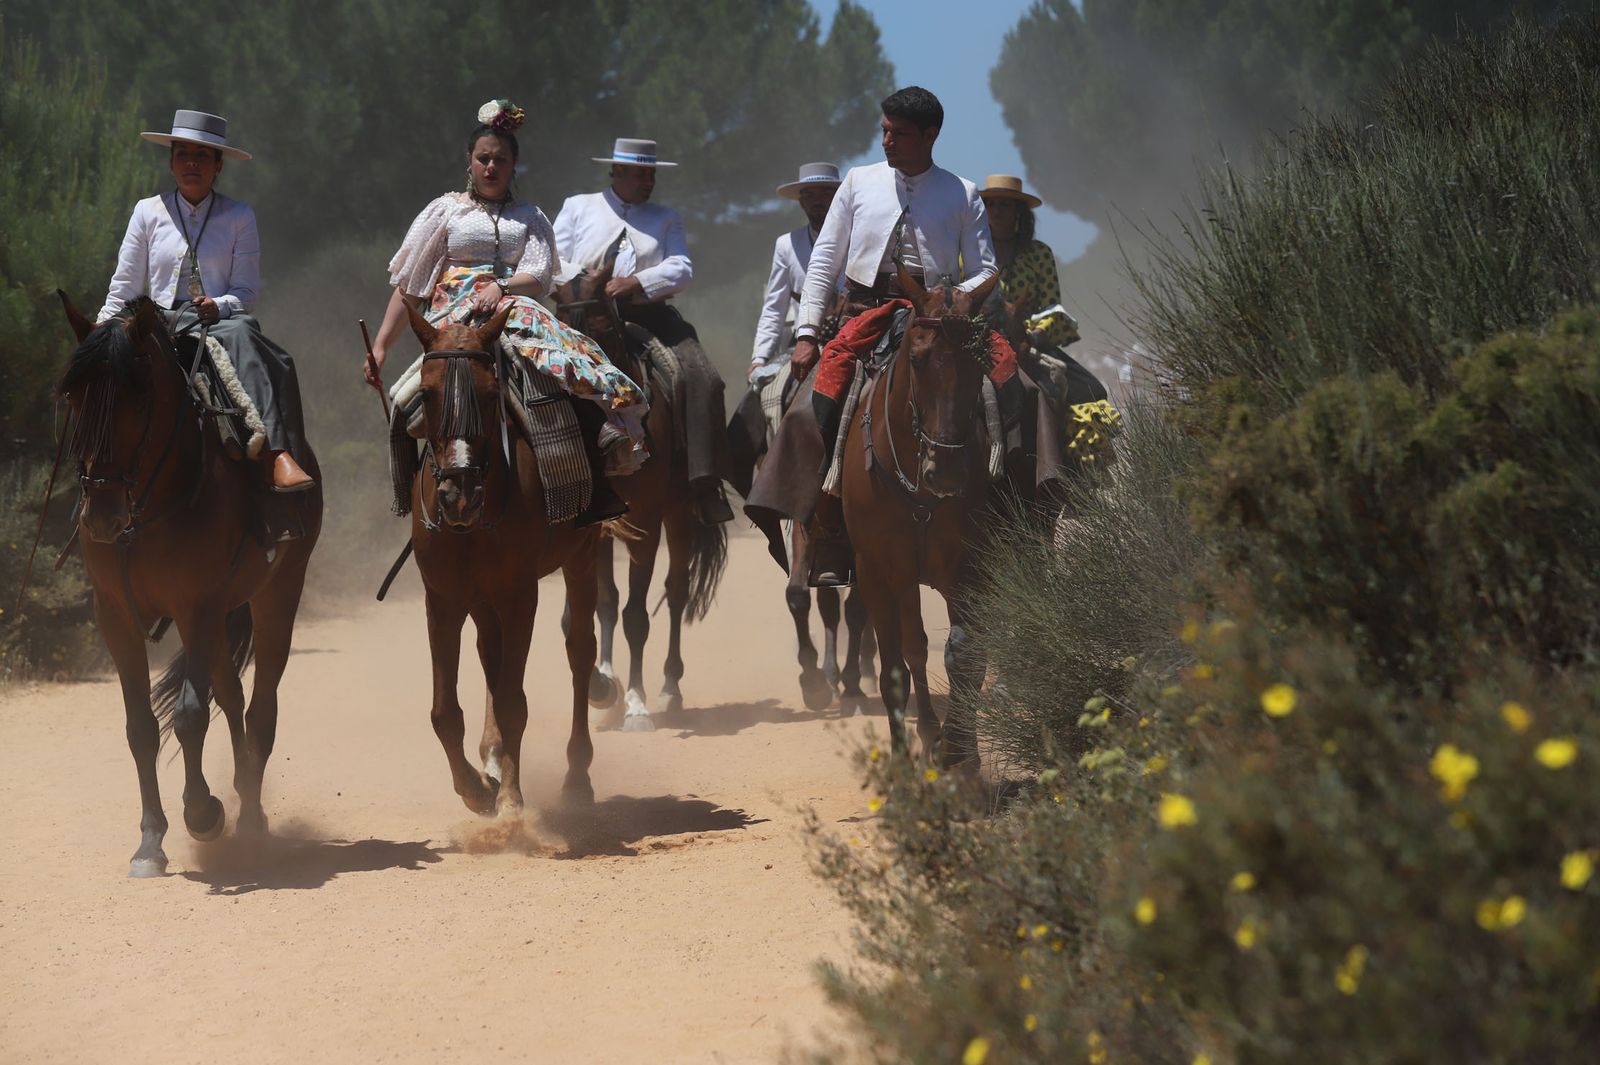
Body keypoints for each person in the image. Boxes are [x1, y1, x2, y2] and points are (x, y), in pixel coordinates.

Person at [748, 86, 1022, 586]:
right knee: (815, 402)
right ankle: (825, 528)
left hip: (941, 320)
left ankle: (1011, 522)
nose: (886, 141)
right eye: (885, 130)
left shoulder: (962, 193)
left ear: (930, 135)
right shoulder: (857, 183)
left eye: (897, 133)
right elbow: (825, 261)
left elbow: (984, 270)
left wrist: (949, 301)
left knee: (1008, 385)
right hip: (866, 312)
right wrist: (807, 332)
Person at [366, 101, 647, 526]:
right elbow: (410, 285)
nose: (491, 167)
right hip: (452, 322)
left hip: (512, 310)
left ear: (514, 165)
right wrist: (382, 347)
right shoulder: (445, 211)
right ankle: (414, 503)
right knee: (407, 404)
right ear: (470, 161)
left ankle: (594, 467)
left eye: (501, 159)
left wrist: (500, 287)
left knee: (556, 373)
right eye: (484, 158)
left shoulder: (530, 217)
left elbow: (537, 276)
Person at [99, 109, 313, 496]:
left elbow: (246, 292)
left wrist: (219, 305)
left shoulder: (238, 216)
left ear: (218, 167)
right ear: (171, 162)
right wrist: (100, 329)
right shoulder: (147, 212)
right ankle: (93, 472)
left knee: (254, 337)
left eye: (202, 156)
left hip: (216, 321)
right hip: (158, 321)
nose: (191, 163)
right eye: (182, 154)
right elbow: (125, 286)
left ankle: (277, 454)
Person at [552, 139, 735, 526]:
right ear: (616, 172)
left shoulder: (665, 217)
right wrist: (592, 285)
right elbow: (555, 261)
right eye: (640, 173)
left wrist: (635, 281)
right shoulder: (578, 206)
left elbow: (682, 268)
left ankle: (703, 482)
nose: (647, 180)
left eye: (651, 174)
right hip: (583, 318)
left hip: (648, 316)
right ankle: (547, 479)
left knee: (705, 378)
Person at [748, 162, 843, 382]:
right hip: (803, 343)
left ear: (840, 197)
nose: (817, 200)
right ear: (801, 202)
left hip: (854, 336)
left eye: (826, 193)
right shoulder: (787, 245)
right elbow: (774, 308)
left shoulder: (860, 238)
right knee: (768, 393)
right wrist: (759, 358)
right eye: (809, 194)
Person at [978, 174, 1076, 350]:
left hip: (1027, 341)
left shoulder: (1040, 254)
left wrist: (1036, 334)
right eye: (991, 204)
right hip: (978, 340)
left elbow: (1052, 308)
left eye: (1004, 204)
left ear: (1018, 211)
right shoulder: (970, 251)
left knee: (1080, 378)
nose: (996, 210)